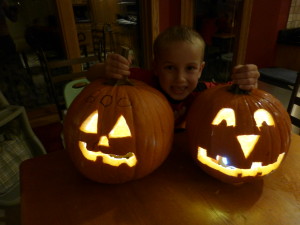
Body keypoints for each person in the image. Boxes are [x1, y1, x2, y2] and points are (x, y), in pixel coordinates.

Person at [87, 25, 260, 129]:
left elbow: (238, 94)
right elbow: (91, 75)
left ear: (201, 70)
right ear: (156, 68)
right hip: (142, 148)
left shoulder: (203, 91)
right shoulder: (142, 83)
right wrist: (108, 68)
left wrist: (247, 80)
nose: (180, 78)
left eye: (190, 68)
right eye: (170, 67)